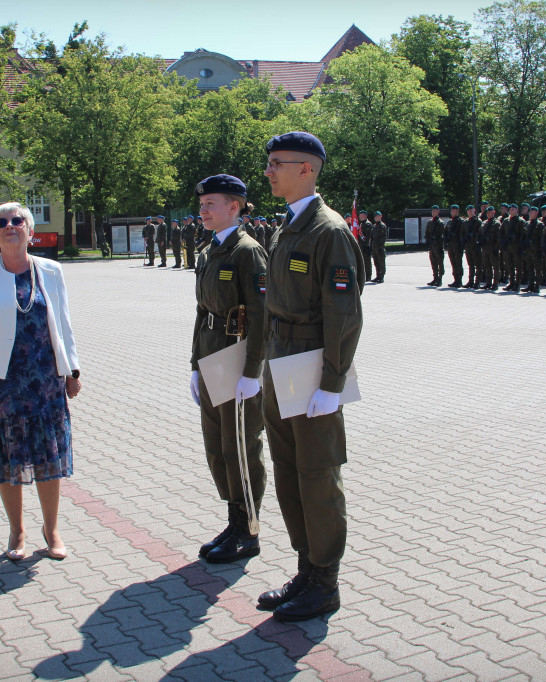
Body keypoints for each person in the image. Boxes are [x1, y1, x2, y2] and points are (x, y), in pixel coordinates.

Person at [259, 131, 364, 622]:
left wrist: (332, 383)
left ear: (307, 169)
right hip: (280, 360)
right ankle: (306, 566)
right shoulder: (288, 227)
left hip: (310, 362)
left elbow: (344, 316)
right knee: (287, 470)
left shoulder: (329, 231)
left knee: (317, 475)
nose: (269, 170)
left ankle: (325, 581)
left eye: (278, 162)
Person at [0, 201, 81, 563]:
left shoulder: (51, 270)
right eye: (2, 222)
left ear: (30, 231)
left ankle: (51, 528)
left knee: (48, 455)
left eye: (18, 221)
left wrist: (72, 370)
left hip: (45, 379)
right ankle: (16, 529)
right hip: (1, 382)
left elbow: (62, 321)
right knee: (8, 457)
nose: (10, 225)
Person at [188, 174, 269, 564]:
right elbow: (203, 311)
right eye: (201, 204)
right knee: (218, 446)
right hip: (211, 356)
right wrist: (193, 365)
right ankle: (234, 518)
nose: (202, 210)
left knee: (241, 447)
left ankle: (249, 530)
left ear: (234, 207)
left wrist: (252, 373)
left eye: (210, 204)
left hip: (236, 358)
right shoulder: (210, 252)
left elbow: (262, 315)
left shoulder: (246, 252)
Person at [479, 205, 501, 290]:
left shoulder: (497, 223)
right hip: (485, 247)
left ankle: (495, 283)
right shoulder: (484, 223)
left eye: (491, 212)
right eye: (487, 212)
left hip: (493, 247)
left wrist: (497, 248)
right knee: (487, 266)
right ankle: (488, 283)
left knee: (495, 267)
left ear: (494, 212)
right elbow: (481, 234)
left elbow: (498, 237)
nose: (489, 214)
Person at [444, 204, 465, 288]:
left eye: (455, 210)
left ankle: (459, 280)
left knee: (458, 263)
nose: (453, 211)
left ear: (458, 211)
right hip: (450, 245)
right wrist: (445, 241)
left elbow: (463, 234)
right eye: (452, 210)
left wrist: (461, 244)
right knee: (453, 263)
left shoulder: (461, 222)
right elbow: (445, 232)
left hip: (457, 245)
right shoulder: (449, 222)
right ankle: (455, 279)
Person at [424, 205, 445, 286]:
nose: (434, 212)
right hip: (432, 245)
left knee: (440, 262)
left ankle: (440, 278)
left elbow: (441, 234)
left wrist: (436, 238)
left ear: (438, 211)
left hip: (438, 245)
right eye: (432, 211)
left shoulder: (440, 222)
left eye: (435, 211)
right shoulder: (430, 222)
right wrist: (427, 240)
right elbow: (427, 233)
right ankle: (435, 277)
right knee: (433, 262)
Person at [463, 205, 482, 288]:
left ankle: (477, 282)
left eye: (471, 210)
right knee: (470, 265)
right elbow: (462, 233)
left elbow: (480, 233)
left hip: (475, 245)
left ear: (474, 210)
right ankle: (470, 281)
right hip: (468, 245)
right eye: (468, 211)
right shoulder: (466, 222)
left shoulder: (478, 221)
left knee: (478, 265)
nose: (470, 212)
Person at [370, 211, 387, 283]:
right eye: (375, 216)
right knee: (376, 262)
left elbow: (383, 237)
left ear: (380, 216)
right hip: (374, 247)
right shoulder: (374, 226)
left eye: (378, 216)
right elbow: (372, 237)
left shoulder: (382, 226)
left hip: (380, 247)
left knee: (381, 262)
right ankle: (378, 276)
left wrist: (380, 246)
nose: (376, 218)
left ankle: (381, 276)